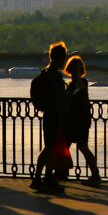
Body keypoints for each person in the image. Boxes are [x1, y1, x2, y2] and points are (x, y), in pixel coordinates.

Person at [30, 41, 69, 193]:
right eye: (64, 57)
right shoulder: (54, 76)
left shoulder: (46, 73)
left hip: (49, 115)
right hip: (55, 116)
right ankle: (42, 178)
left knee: (49, 147)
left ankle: (42, 178)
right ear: (60, 58)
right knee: (49, 148)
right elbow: (59, 99)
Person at [64, 56, 102, 186]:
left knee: (80, 146)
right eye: (73, 68)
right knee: (69, 146)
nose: (74, 71)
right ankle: (62, 172)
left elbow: (71, 97)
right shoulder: (74, 84)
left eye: (76, 69)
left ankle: (95, 175)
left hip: (78, 121)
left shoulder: (81, 83)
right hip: (77, 121)